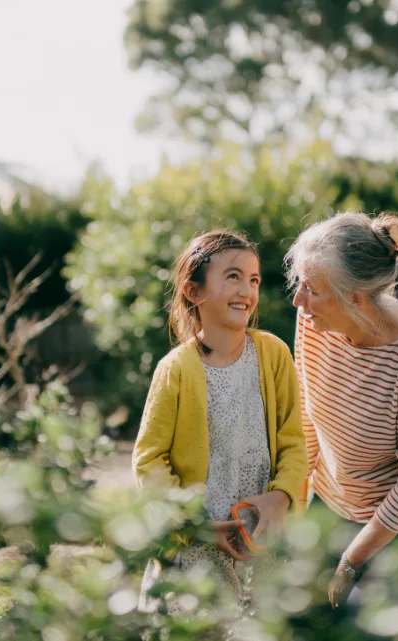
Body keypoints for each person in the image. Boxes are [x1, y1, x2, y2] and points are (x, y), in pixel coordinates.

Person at [284, 212, 398, 607]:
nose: (298, 299)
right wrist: (294, 496)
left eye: (310, 288)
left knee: (360, 614)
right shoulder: (313, 320)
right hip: (336, 495)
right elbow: (309, 411)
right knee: (296, 604)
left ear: (356, 299)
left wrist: (351, 561)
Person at [133, 229, 307, 615]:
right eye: (233, 276)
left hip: (264, 536)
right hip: (202, 542)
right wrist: (194, 525)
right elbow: (149, 460)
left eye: (254, 279)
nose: (246, 290)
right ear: (194, 291)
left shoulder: (274, 355)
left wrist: (280, 498)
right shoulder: (175, 370)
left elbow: (295, 440)